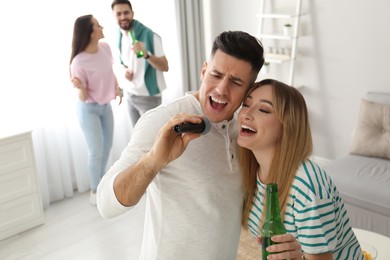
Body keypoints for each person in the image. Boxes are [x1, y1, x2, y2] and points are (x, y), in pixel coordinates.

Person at [97, 31, 303, 259]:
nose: (222, 89)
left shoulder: (244, 132)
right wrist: (154, 159)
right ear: (204, 70)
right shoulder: (162, 121)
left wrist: (293, 248)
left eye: (236, 82)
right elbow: (106, 204)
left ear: (249, 90)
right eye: (216, 75)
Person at [238, 79, 364, 259]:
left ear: (287, 126)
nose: (246, 114)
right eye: (246, 104)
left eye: (263, 110)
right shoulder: (251, 172)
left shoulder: (307, 186)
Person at [69, 15, 123, 205]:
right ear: (89, 33)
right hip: (88, 109)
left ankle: (101, 185)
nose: (101, 27)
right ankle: (95, 191)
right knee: (96, 151)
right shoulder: (78, 62)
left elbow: (110, 73)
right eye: (97, 25)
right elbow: (83, 97)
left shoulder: (105, 49)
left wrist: (117, 88)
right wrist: (81, 87)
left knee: (107, 146)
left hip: (105, 106)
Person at [111, 0, 169, 127]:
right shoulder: (119, 34)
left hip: (148, 98)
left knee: (151, 139)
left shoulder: (150, 36)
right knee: (137, 139)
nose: (123, 17)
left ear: (132, 13)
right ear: (113, 16)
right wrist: (125, 70)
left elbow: (165, 66)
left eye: (126, 13)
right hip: (129, 94)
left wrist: (146, 54)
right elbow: (125, 61)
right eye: (118, 14)